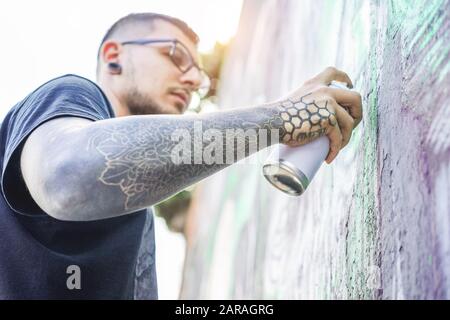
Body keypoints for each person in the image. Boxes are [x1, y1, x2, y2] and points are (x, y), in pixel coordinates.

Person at [0, 12, 362, 299]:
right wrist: (281, 118)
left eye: (200, 76)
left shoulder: (138, 212)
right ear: (114, 57)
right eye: (175, 56)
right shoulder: (72, 94)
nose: (191, 79)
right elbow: (67, 179)